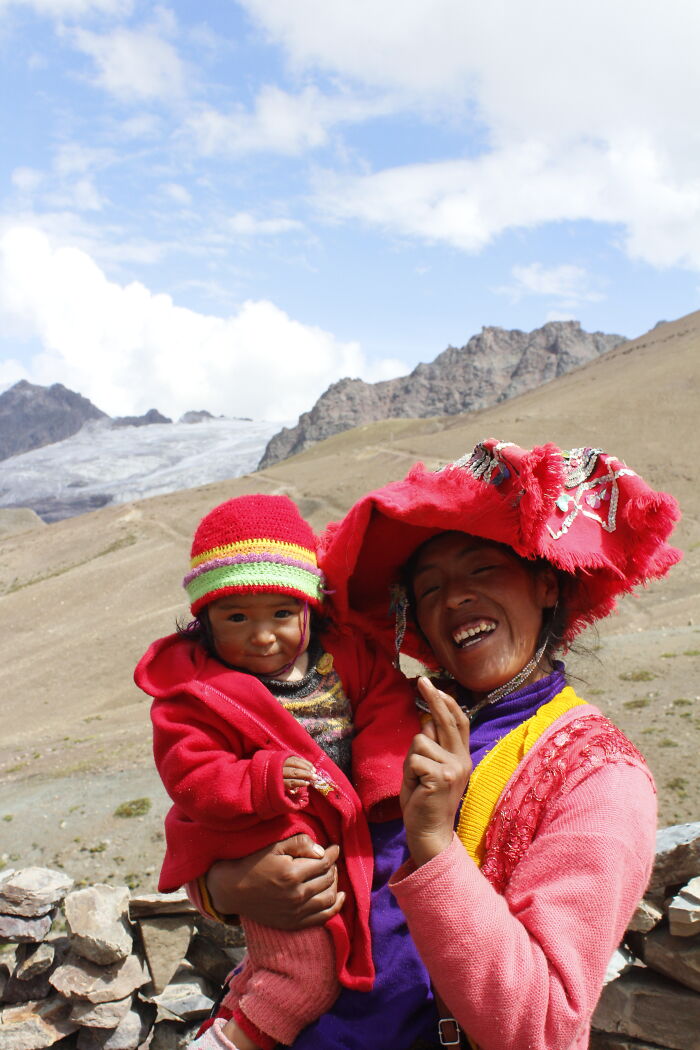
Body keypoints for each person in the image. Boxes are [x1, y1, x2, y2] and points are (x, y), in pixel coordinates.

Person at [197, 440, 681, 1050]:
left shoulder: (598, 778)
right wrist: (225, 889)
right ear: (416, 622)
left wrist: (431, 844)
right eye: (429, 589)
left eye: (482, 570)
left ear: (547, 587)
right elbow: (239, 812)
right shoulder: (371, 716)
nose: (454, 598)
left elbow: (544, 1028)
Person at [134, 494, 423, 1050]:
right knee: (302, 980)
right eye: (237, 617)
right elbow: (191, 775)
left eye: (281, 614)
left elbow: (389, 708)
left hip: (339, 844)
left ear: (308, 608)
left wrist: (386, 786)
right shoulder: (194, 693)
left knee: (271, 971)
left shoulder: (347, 658)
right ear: (205, 619)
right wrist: (262, 782)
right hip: (269, 847)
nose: (262, 636)